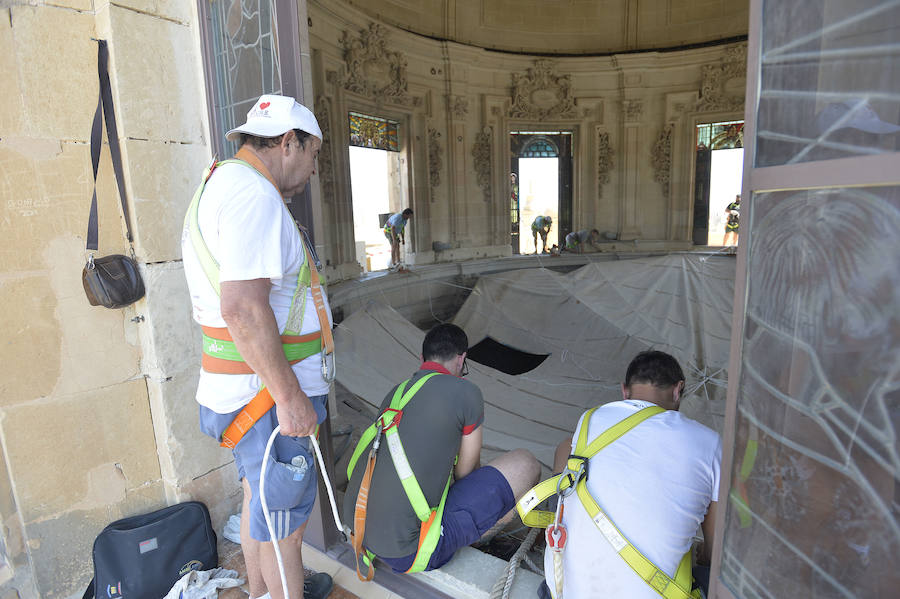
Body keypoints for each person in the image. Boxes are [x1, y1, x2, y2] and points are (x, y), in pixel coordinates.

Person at [181, 94, 334, 599]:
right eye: (313, 155)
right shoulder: (255, 196)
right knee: (285, 523)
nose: (313, 169)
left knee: (260, 503)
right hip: (267, 397)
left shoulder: (222, 183)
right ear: (289, 143)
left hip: (247, 392)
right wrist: (291, 399)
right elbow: (244, 308)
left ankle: (265, 593)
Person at [343, 324, 540, 576]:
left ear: (422, 359)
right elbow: (466, 473)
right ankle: (480, 538)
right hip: (409, 551)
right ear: (461, 359)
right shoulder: (467, 392)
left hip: (357, 530)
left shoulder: (397, 392)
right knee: (526, 463)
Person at [538, 350, 721, 599]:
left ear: (625, 391)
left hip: (561, 590)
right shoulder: (710, 443)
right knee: (721, 578)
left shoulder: (591, 419)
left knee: (567, 449)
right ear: (678, 390)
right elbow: (715, 550)